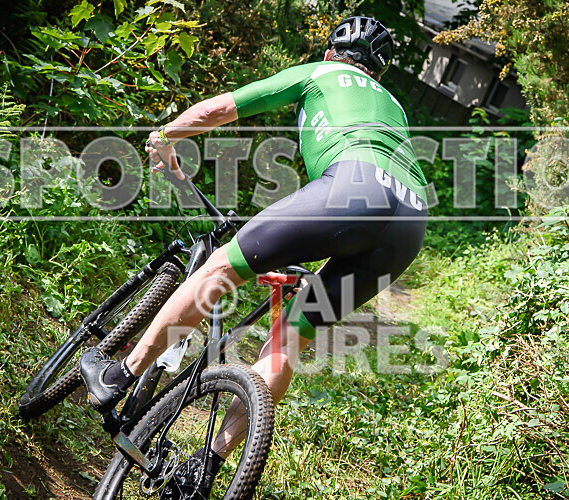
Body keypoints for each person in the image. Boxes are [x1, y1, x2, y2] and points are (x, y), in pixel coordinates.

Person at [80, 14, 427, 487]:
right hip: (409, 223)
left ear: (331, 53)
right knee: (288, 340)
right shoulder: (393, 107)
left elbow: (219, 109)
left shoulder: (321, 73)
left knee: (222, 268)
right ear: (378, 72)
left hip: (351, 189)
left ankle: (120, 373)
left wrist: (166, 137)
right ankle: (209, 464)